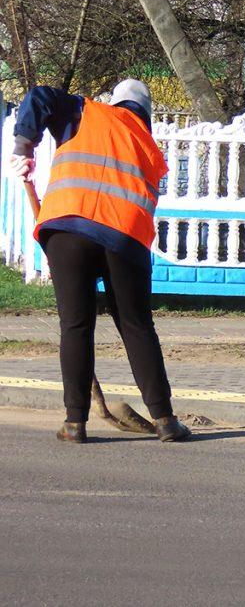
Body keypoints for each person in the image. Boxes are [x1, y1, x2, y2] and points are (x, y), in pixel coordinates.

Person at [9, 80, 190, 443]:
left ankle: (75, 423)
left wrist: (24, 145)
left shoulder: (84, 111)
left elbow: (39, 95)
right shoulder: (151, 150)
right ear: (147, 114)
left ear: (117, 101)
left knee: (75, 326)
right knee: (137, 326)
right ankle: (166, 419)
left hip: (67, 231)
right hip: (125, 240)